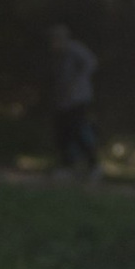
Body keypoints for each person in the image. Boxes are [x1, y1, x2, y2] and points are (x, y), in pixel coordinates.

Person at [46, 22, 99, 175]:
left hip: (78, 99)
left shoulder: (74, 49)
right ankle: (67, 165)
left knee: (78, 129)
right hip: (63, 102)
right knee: (63, 132)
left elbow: (91, 63)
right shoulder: (57, 55)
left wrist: (77, 82)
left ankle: (93, 164)